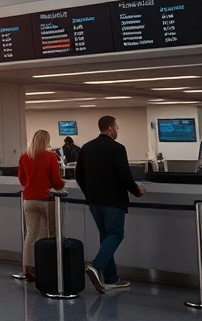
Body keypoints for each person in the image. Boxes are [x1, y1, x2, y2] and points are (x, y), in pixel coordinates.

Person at [75, 115, 145, 294]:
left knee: (106, 236)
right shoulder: (117, 148)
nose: (117, 130)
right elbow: (124, 175)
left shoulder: (87, 148)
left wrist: (89, 193)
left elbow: (79, 175)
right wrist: (136, 190)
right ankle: (96, 266)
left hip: (94, 201)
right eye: (116, 126)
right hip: (113, 200)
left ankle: (112, 278)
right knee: (115, 234)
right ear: (110, 128)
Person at [17, 129, 66, 281]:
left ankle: (28, 268)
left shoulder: (25, 156)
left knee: (31, 234)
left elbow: (22, 179)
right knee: (52, 234)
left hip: (29, 200)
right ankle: (49, 266)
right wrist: (62, 184)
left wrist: (31, 187)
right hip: (47, 199)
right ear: (47, 140)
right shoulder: (50, 156)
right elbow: (56, 180)